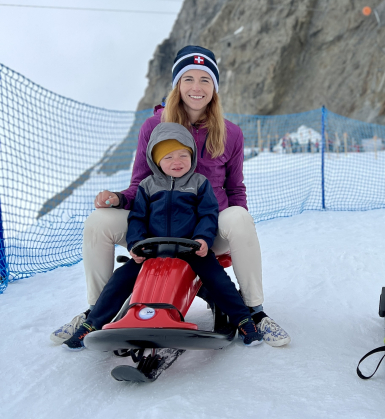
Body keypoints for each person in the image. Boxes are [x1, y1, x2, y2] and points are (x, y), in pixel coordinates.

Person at [51, 45, 290, 347]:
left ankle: (254, 312)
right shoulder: (154, 126)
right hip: (156, 228)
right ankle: (97, 310)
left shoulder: (230, 133)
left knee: (240, 217)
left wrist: (234, 232)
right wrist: (117, 199)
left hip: (206, 230)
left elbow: (234, 190)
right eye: (188, 79)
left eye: (205, 80)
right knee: (99, 221)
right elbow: (140, 184)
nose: (196, 87)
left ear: (214, 89)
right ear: (178, 84)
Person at [64, 123, 262, 348]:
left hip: (191, 250)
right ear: (156, 161)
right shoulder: (147, 186)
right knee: (119, 280)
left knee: (218, 280)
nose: (176, 162)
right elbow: (137, 218)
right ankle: (91, 324)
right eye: (168, 157)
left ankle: (244, 320)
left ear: (192, 155)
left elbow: (208, 214)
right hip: (152, 251)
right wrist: (136, 244)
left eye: (182, 155)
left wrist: (202, 240)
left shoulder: (199, 184)